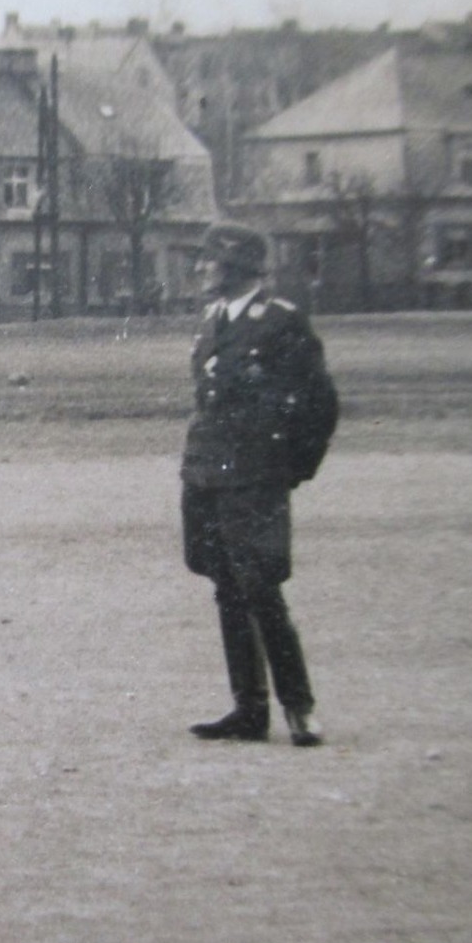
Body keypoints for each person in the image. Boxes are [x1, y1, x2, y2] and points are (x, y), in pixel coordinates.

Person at [179, 223, 339, 747]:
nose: (200, 268)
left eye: (209, 260)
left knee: (261, 590)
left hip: (255, 476)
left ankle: (299, 707)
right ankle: (248, 708)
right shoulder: (213, 320)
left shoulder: (280, 323)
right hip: (207, 472)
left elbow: (320, 404)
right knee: (227, 588)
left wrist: (291, 468)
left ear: (235, 267)